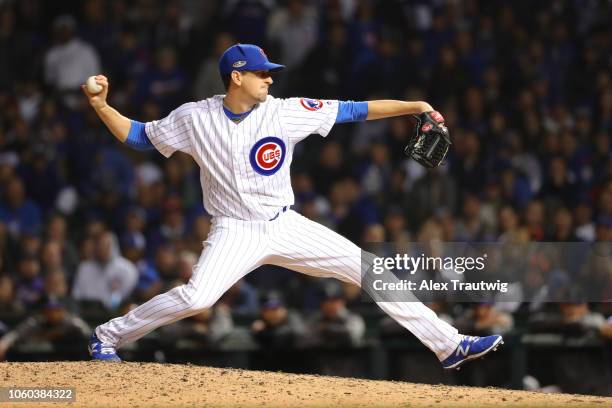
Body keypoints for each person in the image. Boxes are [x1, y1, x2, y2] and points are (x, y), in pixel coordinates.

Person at [82, 43, 502, 369]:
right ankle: (107, 335)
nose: (270, 79)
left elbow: (354, 110)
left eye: (270, 73)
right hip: (234, 230)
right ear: (236, 76)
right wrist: (101, 106)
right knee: (197, 299)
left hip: (284, 224)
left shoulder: (285, 113)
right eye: (262, 73)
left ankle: (449, 345)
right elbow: (140, 136)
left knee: (369, 268)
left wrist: (416, 107)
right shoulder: (195, 118)